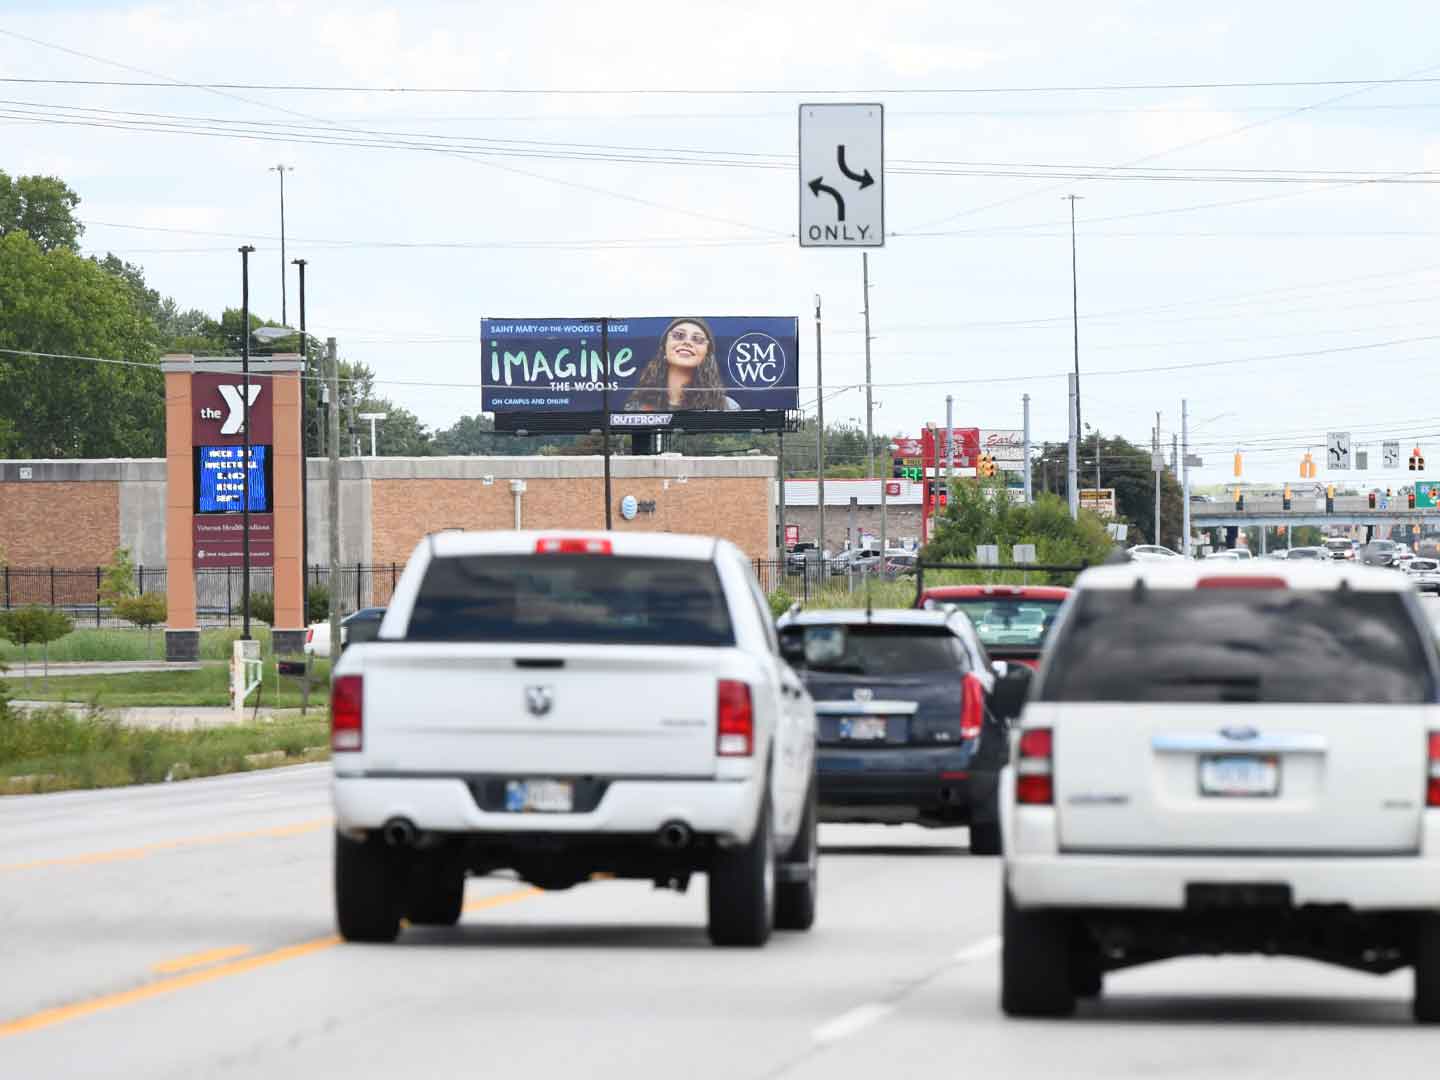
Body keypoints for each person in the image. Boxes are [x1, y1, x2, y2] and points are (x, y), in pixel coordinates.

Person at [623, 317, 740, 412]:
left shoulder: (727, 407)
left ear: (706, 355)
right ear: (664, 348)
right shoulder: (637, 407)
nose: (687, 342)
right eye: (678, 336)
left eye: (697, 339)